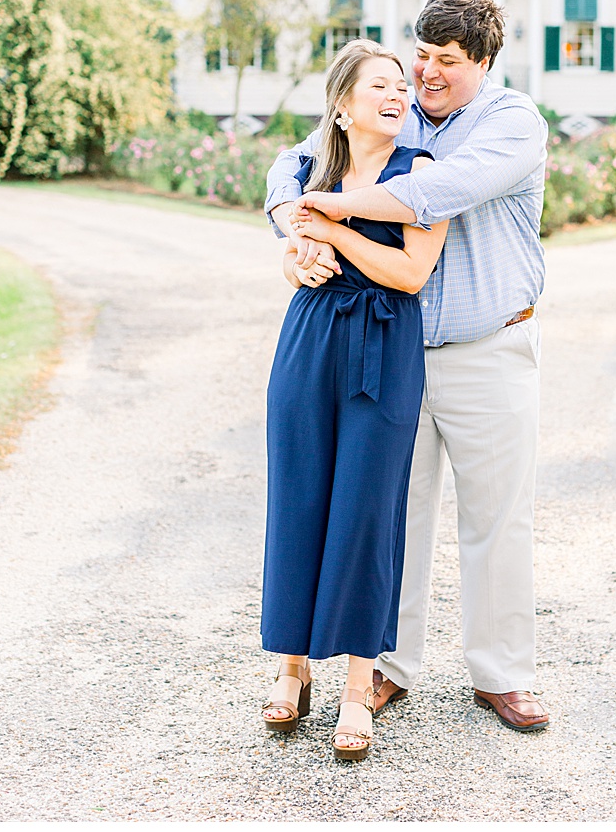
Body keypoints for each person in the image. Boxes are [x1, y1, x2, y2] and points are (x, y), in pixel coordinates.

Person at [265, 0, 551, 736]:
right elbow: (295, 162)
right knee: (391, 514)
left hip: (488, 345)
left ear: (485, 61)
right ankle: (387, 666)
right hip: (393, 351)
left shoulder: (511, 122)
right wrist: (288, 224)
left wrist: (325, 210)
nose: (426, 74)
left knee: (497, 518)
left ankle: (502, 675)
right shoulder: (399, 109)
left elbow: (436, 191)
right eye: (420, 55)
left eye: (446, 62)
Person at [259, 38, 447, 761]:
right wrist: (295, 254)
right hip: (309, 340)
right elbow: (293, 243)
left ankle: (357, 688)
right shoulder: (306, 171)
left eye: (401, 85)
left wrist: (330, 229)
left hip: (385, 346)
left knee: (368, 511)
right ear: (342, 107)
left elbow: (408, 272)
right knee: (298, 499)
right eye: (380, 85)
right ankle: (292, 669)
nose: (398, 94)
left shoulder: (423, 172)